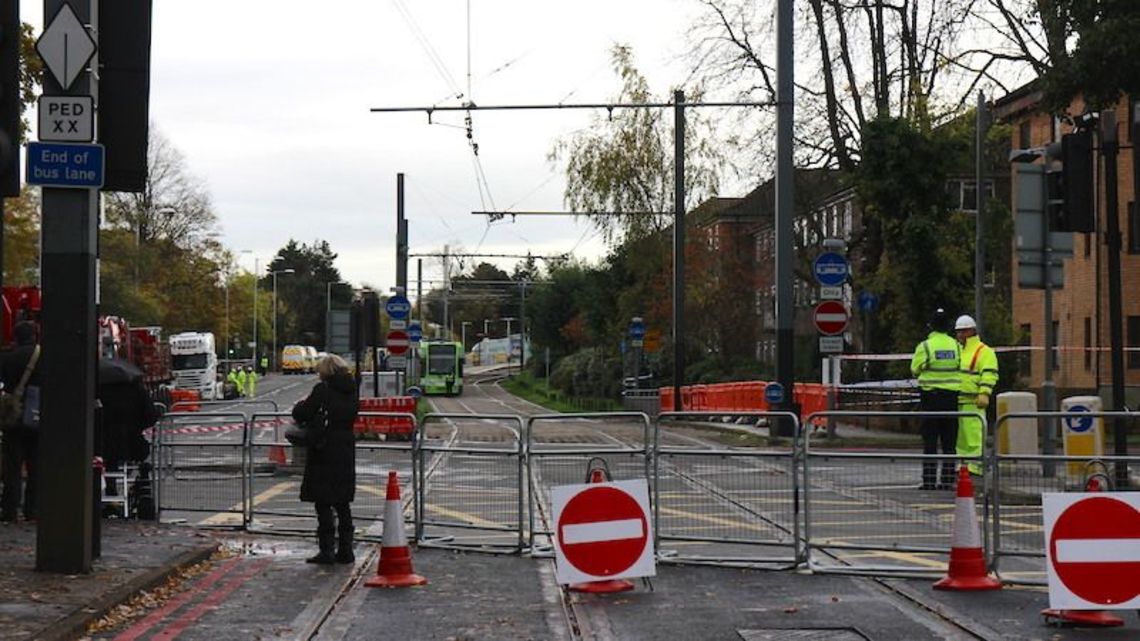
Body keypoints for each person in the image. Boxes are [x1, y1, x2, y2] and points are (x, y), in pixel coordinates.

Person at [292, 354, 359, 564]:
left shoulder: (323, 390)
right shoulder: (351, 389)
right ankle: (346, 550)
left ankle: (327, 549)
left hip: (324, 449)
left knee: (323, 502)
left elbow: (303, 412)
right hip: (345, 448)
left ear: (326, 371)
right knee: (342, 502)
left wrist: (300, 407)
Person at [96, 358, 161, 515]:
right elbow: (150, 415)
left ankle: (109, 491)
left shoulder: (96, 389)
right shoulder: (136, 389)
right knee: (132, 459)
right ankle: (136, 487)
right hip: (130, 444)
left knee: (108, 459)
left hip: (99, 443)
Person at [910, 308, 960, 490]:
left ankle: (929, 481)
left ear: (931, 326)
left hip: (930, 399)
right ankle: (947, 481)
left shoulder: (925, 346)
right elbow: (960, 366)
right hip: (951, 399)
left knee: (930, 442)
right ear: (948, 326)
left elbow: (914, 369)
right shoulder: (956, 346)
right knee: (949, 443)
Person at [1, 321, 41, 522]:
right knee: (36, 466)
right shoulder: (45, 356)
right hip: (39, 417)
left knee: (12, 466)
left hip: (14, 417)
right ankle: (32, 509)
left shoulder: (8, 358)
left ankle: (10, 509)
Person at [955, 315, 998, 476]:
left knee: (974, 436)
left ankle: (976, 467)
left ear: (972, 331)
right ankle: (963, 466)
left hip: (974, 401)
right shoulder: (958, 350)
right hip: (958, 400)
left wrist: (984, 392)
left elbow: (989, 374)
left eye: (963, 331)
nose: (960, 335)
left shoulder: (984, 351)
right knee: (961, 438)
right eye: (958, 332)